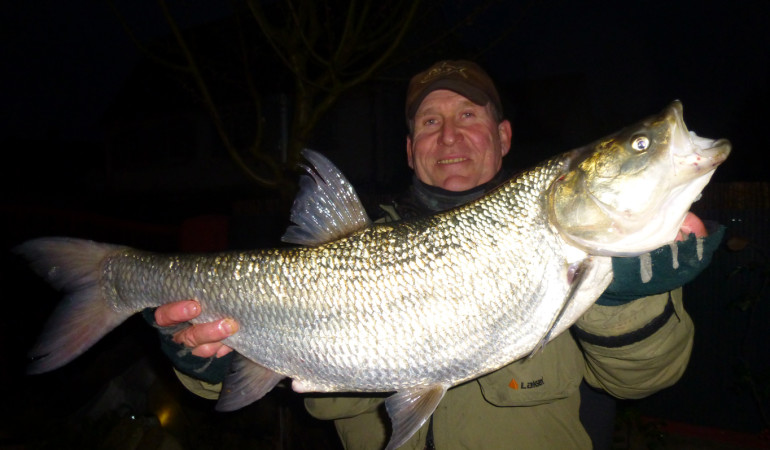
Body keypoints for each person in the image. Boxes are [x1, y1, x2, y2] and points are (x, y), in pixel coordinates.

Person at [149, 60, 723, 449]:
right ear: (409, 148)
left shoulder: (596, 248)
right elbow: (238, 361)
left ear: (502, 137)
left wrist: (627, 304)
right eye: (430, 122)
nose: (449, 137)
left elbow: (645, 381)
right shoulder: (358, 238)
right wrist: (206, 366)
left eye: (468, 117)